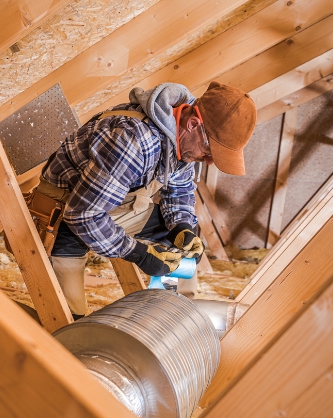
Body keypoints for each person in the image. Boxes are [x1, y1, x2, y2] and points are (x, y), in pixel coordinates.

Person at [36, 81, 257, 319]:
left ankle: (180, 314)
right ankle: (70, 325)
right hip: (65, 214)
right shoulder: (133, 140)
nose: (210, 161)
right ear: (193, 124)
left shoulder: (182, 138)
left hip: (110, 204)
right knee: (69, 319)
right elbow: (83, 214)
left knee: (182, 245)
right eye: (210, 152)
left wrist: (181, 227)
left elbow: (180, 190)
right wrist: (138, 253)